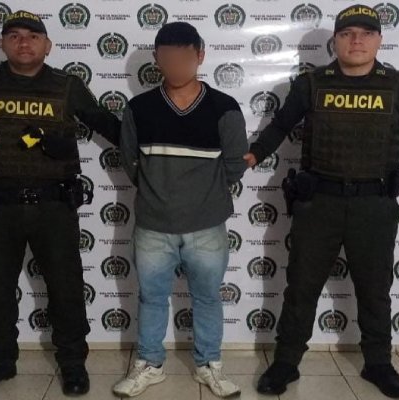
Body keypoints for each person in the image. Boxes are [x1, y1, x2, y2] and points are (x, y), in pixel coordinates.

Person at [244, 4, 399, 398]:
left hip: (373, 205)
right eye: (347, 34)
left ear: (379, 40)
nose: (356, 40)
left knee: (374, 290)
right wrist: (253, 155)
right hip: (319, 203)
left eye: (365, 33)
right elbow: (280, 126)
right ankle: (286, 362)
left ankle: (378, 364)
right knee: (301, 287)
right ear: (335, 41)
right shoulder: (311, 84)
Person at [0, 10, 120, 397]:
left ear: (47, 45)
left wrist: (158, 147)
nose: (24, 42)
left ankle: (72, 363)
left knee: (66, 288)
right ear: (3, 44)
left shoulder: (67, 86)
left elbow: (108, 125)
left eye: (33, 36)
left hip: (54, 206)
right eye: (15, 35)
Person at [113, 21, 248, 398]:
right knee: (152, 298)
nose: (175, 65)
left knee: (207, 298)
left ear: (200, 56)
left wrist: (201, 197)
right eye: (167, 58)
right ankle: (150, 364)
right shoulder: (139, 108)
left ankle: (209, 365)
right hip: (153, 225)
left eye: (183, 57)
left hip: (207, 226)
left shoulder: (224, 107)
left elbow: (234, 165)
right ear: (157, 59)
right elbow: (130, 161)